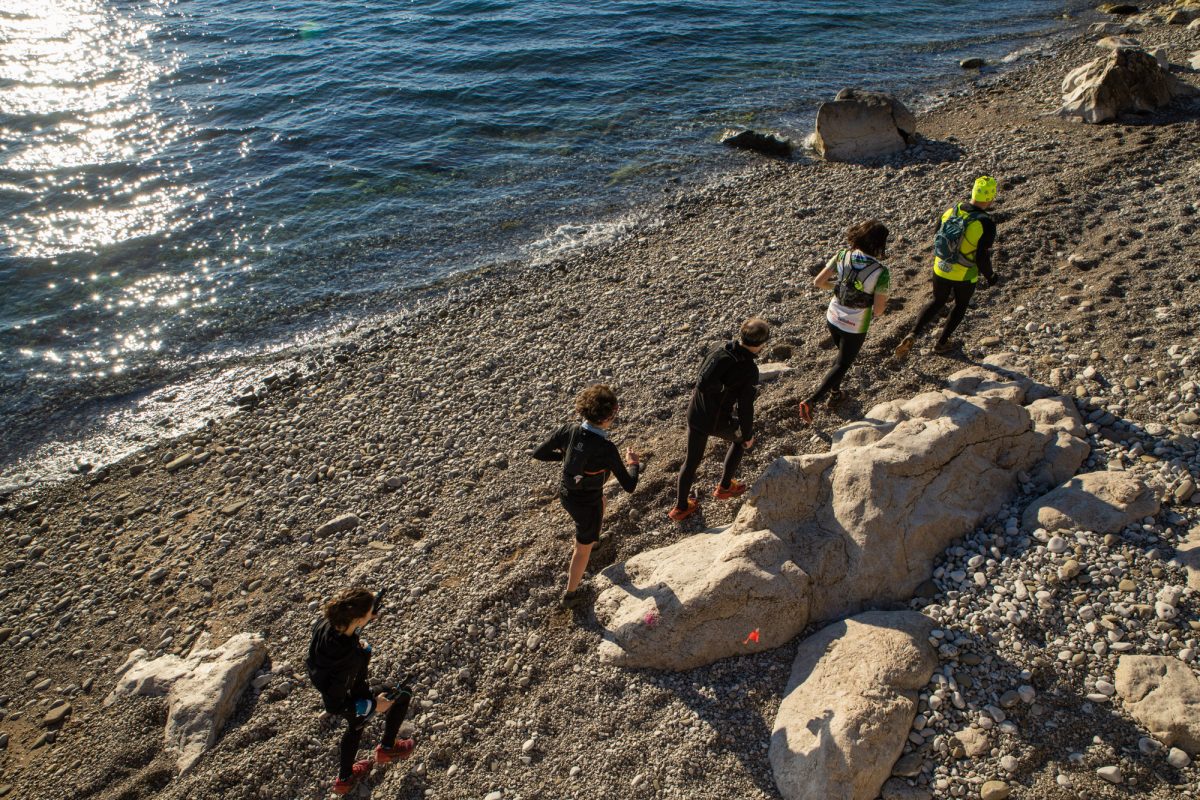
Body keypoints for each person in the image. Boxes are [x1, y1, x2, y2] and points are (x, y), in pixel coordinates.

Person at [532, 384, 642, 608]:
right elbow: (629, 485)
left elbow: (539, 453)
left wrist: (564, 458)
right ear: (609, 416)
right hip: (586, 503)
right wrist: (634, 464)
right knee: (580, 551)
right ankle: (571, 595)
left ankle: (595, 541)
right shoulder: (606, 448)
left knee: (602, 500)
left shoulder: (568, 430)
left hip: (567, 495)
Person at [306, 587, 415, 796]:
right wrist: (375, 705)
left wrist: (364, 618)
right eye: (368, 614)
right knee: (403, 695)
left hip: (332, 683)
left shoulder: (328, 623)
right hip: (348, 697)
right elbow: (335, 705)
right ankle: (387, 748)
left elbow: (349, 630)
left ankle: (344, 780)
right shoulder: (346, 659)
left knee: (356, 726)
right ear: (356, 619)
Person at [669, 317, 770, 522]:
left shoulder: (720, 348)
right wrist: (747, 434)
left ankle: (680, 508)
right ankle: (724, 487)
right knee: (740, 441)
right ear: (761, 344)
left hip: (695, 412)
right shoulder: (748, 369)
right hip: (715, 421)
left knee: (691, 462)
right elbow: (745, 407)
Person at [893, 175, 999, 359]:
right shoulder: (985, 223)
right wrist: (990, 276)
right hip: (964, 274)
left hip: (941, 267)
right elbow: (982, 257)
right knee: (960, 305)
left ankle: (914, 333)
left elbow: (936, 235)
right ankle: (941, 343)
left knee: (937, 300)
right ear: (990, 198)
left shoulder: (952, 210)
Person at [798, 219, 891, 424]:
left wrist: (839, 287)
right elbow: (878, 310)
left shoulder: (842, 255)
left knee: (839, 357)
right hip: (855, 325)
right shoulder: (880, 272)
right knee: (842, 363)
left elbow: (818, 282)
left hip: (832, 316)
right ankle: (811, 400)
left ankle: (836, 393)